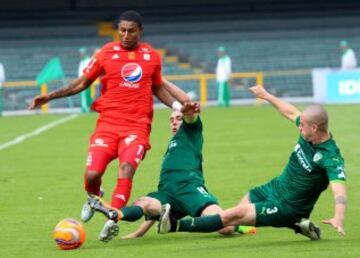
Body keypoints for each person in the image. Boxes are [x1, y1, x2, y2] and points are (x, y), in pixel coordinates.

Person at [28, 10, 190, 235]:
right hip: (108, 124)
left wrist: (179, 107)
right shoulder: (106, 53)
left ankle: (113, 218)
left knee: (127, 168)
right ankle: (93, 198)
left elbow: (158, 87)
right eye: (122, 30)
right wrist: (49, 97)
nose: (125, 35)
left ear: (140, 31)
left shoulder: (151, 56)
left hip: (137, 126)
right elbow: (81, 83)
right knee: (92, 174)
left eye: (131, 31)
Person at [158, 85, 347, 241]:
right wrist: (266, 95)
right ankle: (297, 224)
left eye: (302, 125)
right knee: (230, 224)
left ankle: (172, 225)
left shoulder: (331, 157)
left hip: (288, 206)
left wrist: (338, 217)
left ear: (314, 128)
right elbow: (289, 111)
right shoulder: (308, 131)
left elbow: (339, 192)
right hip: (274, 188)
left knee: (233, 215)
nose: (298, 126)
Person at [85, 102, 256, 241]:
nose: (174, 122)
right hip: (167, 194)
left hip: (189, 189)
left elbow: (191, 118)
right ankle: (116, 213)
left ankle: (240, 225)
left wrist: (188, 112)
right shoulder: (172, 143)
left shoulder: (192, 132)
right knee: (143, 202)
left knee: (225, 227)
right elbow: (155, 213)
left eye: (178, 118)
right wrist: (139, 233)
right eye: (171, 119)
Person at [77, 47, 92, 112]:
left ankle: (85, 107)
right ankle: (87, 107)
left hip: (85, 79)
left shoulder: (88, 60)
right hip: (82, 80)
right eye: (80, 53)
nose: (80, 54)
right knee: (84, 94)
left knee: (86, 94)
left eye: (81, 53)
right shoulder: (82, 61)